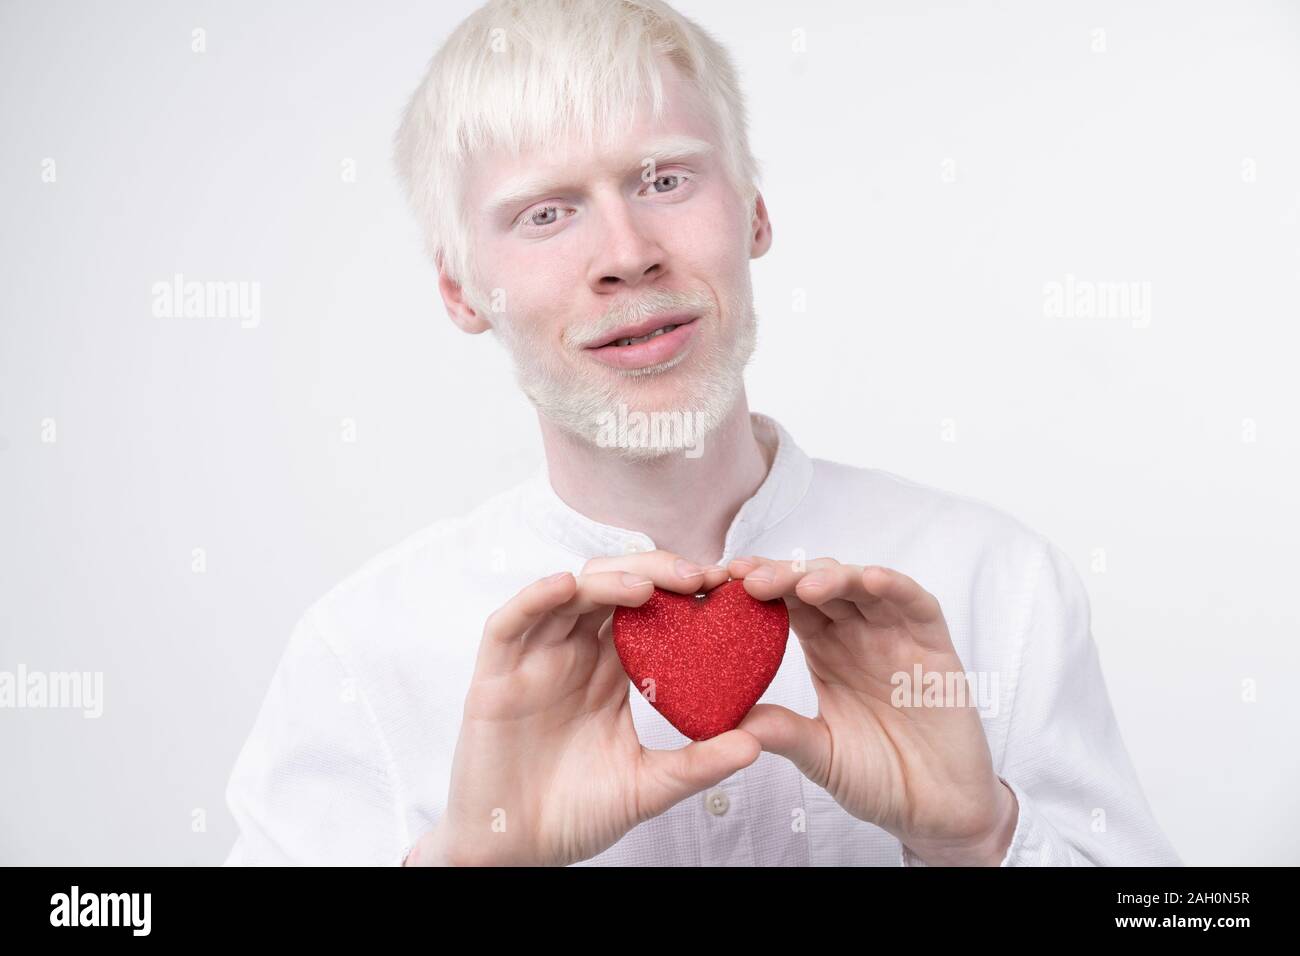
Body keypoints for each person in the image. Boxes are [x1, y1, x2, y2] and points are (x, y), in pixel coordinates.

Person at [222, 0, 1180, 867]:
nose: (628, 254)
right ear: (459, 291)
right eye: (546, 213)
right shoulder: (361, 656)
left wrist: (979, 841)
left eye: (665, 179)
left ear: (755, 210)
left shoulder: (997, 586)